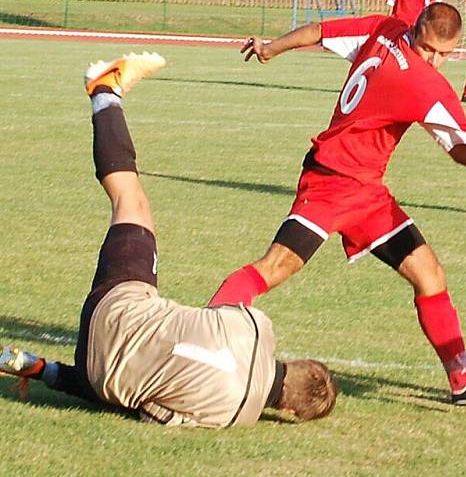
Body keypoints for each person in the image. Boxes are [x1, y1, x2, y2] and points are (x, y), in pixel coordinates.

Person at [0, 53, 337, 426]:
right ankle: (38, 368)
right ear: (287, 410)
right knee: (137, 382)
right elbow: (152, 414)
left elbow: (212, 313)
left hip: (118, 308)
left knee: (132, 203)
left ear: (295, 364)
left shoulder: (258, 327)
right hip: (99, 374)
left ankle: (104, 90)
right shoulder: (230, 417)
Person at [238, 3, 466, 406]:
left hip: (368, 193)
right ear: (416, 31)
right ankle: (202, 333)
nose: (434, 60)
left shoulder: (383, 29)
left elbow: (319, 31)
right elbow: (462, 151)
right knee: (274, 268)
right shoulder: (426, 85)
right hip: (331, 181)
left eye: (444, 54)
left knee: (430, 275)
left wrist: (272, 48)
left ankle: (462, 383)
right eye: (428, 49)